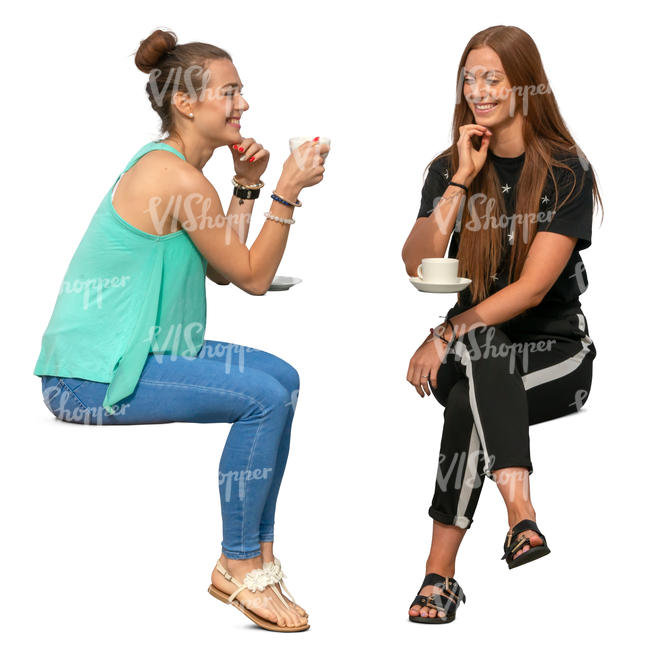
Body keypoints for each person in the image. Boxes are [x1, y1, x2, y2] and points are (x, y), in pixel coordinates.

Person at [33, 28, 329, 633]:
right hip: (90, 380)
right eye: (230, 91)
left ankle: (259, 561)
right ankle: (239, 563)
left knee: (284, 379)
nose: (243, 104)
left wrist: (246, 185)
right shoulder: (173, 177)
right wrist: (286, 193)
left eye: (242, 91)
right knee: (263, 397)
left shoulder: (178, 173)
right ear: (186, 103)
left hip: (146, 355)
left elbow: (224, 271)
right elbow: (250, 277)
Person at [401, 25, 601, 624]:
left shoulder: (566, 169)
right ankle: (522, 517)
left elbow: (534, 289)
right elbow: (416, 261)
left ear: (525, 85)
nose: (479, 90)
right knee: (484, 353)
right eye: (470, 78)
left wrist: (445, 332)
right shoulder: (447, 168)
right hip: (470, 347)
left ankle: (439, 577)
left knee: (469, 404)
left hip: (556, 353)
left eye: (493, 78)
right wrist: (462, 178)